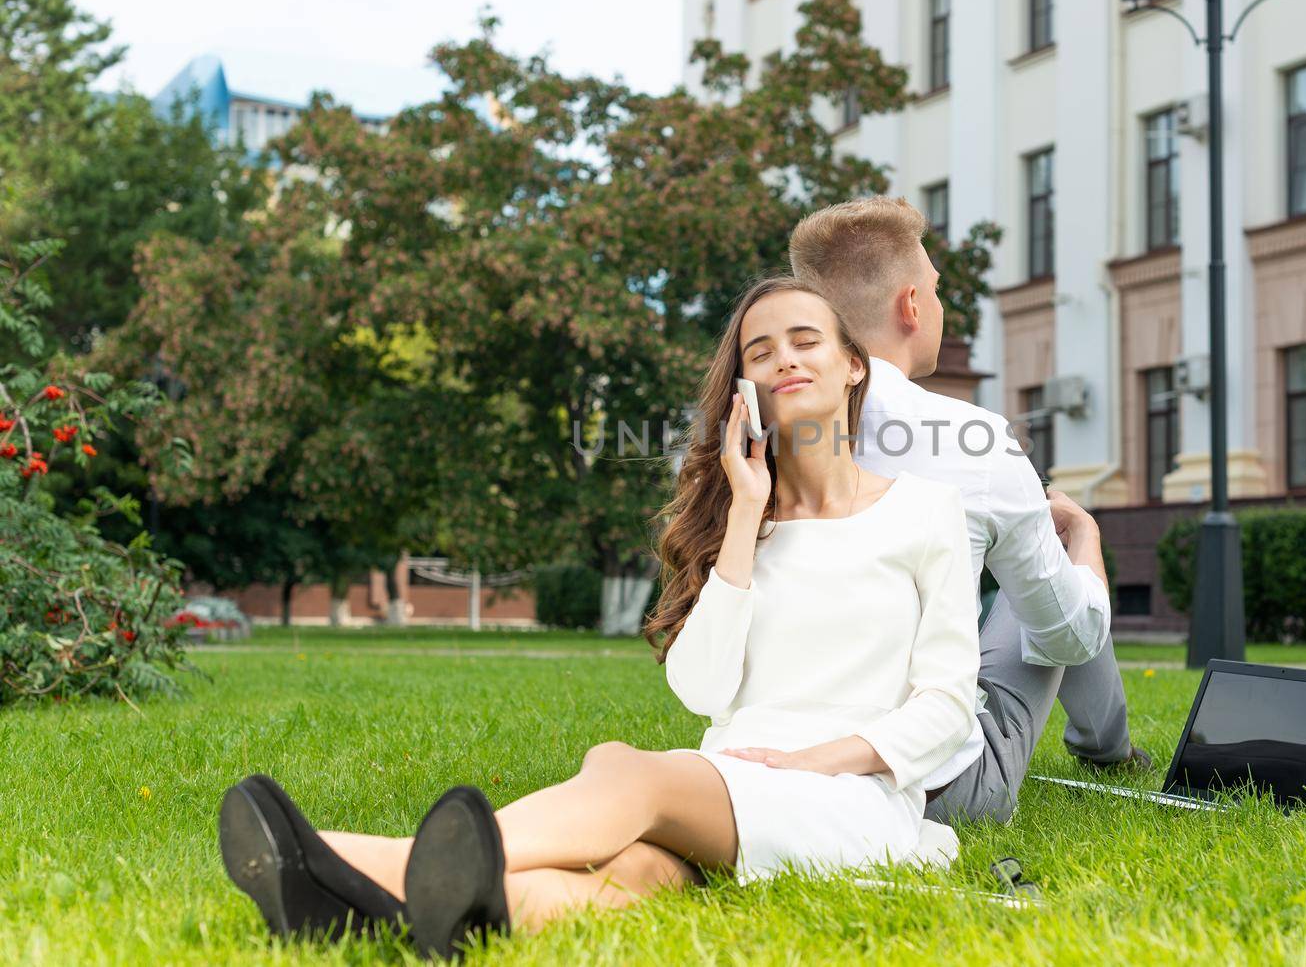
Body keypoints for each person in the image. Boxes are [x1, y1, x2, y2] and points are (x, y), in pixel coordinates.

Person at [217, 276, 980, 958]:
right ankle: (392, 909)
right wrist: (747, 515)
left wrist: (813, 759)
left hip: (850, 799)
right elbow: (704, 691)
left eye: (805, 340)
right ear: (743, 387)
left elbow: (947, 708)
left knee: (624, 769)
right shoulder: (740, 522)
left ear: (855, 366)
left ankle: (351, 861)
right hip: (728, 779)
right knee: (631, 874)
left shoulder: (924, 512)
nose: (784, 358)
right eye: (761, 350)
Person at [788, 196, 1148, 827]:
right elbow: (1066, 632)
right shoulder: (972, 440)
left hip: (783, 764)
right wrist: (1085, 545)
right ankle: (1109, 751)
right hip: (941, 789)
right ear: (909, 305)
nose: (939, 305)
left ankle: (1109, 748)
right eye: (935, 289)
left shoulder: (756, 435)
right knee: (1057, 582)